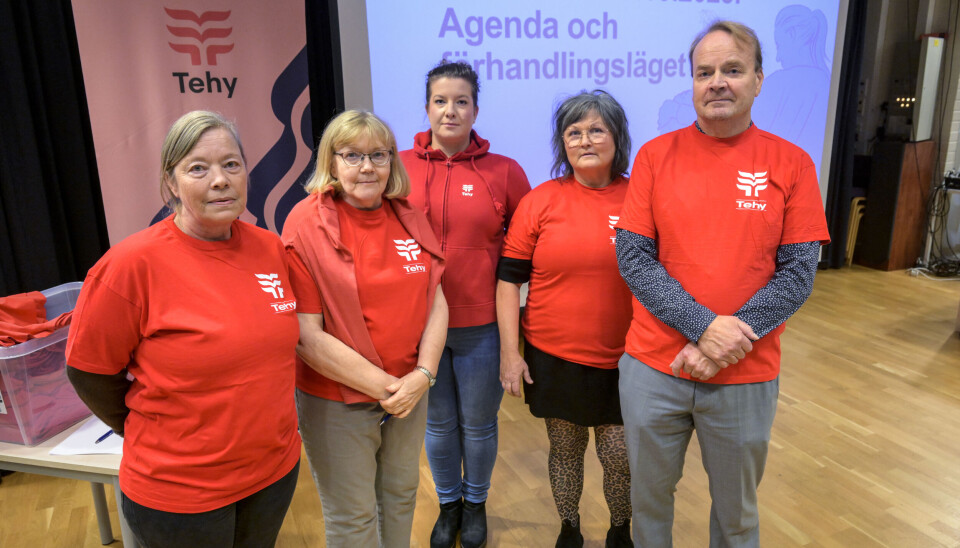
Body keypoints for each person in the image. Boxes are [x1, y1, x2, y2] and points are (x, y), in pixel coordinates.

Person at [615, 21, 831, 547]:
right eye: (704, 72)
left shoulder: (792, 164)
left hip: (746, 373)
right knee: (646, 506)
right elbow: (635, 259)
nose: (717, 82)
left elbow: (799, 274)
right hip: (654, 367)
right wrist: (704, 328)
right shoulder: (654, 156)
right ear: (691, 82)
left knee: (737, 519)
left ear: (759, 80)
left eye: (732, 70)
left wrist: (722, 343)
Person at [65, 111, 302, 548]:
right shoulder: (129, 267)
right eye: (198, 168)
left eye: (232, 164)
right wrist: (152, 430)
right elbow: (88, 373)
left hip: (273, 473)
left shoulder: (270, 248)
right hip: (180, 493)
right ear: (171, 184)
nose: (220, 180)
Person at [282, 110, 448, 548]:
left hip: (410, 392)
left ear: (393, 160)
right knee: (353, 518)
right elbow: (306, 336)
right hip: (339, 400)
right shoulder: (305, 223)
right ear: (331, 163)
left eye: (379, 154)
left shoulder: (409, 215)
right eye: (352, 155)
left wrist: (423, 376)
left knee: (400, 497)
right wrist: (390, 387)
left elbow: (436, 300)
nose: (367, 167)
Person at [399, 60, 530, 548]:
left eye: (461, 102)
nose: (450, 111)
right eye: (440, 101)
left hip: (482, 327)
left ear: (476, 109)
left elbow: (526, 249)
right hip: (418, 327)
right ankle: (447, 505)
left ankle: (475, 506)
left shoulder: (504, 171)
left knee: (477, 426)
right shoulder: (398, 167)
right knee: (437, 424)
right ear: (426, 107)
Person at [496, 90, 634, 548]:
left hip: (627, 360)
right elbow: (508, 281)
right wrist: (510, 356)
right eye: (573, 132)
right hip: (554, 355)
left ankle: (620, 531)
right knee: (566, 451)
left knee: (619, 457)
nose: (585, 140)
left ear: (617, 137)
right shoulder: (540, 201)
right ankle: (569, 529)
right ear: (562, 143)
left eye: (596, 129)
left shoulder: (641, 199)